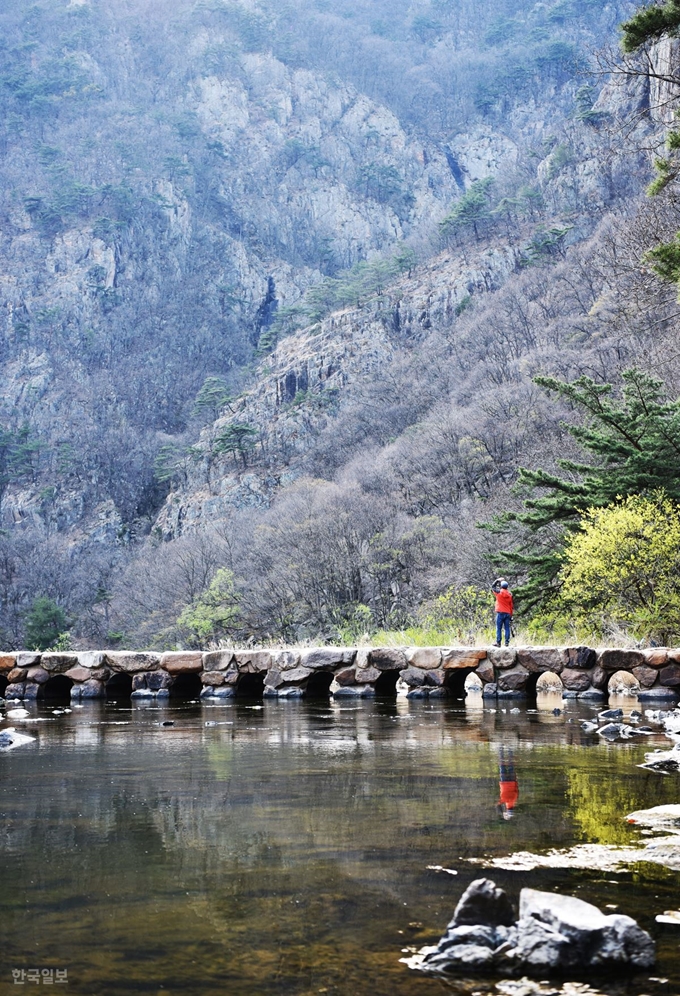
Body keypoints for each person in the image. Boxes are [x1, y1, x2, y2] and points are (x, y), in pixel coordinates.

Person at [491, 577, 513, 647]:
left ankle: (498, 643)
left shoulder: (498, 593)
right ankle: (507, 643)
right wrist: (511, 615)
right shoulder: (509, 595)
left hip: (500, 612)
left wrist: (497, 580)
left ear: (501, 586)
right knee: (507, 628)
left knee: (499, 628)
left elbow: (493, 587)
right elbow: (511, 606)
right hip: (507, 613)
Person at [498, 746, 519, 820]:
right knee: (501, 765)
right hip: (504, 783)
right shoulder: (504, 800)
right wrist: (502, 813)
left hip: (512, 781)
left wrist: (516, 780)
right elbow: (497, 806)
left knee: (511, 765)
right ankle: (500, 749)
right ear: (507, 810)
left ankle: (510, 749)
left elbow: (517, 789)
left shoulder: (515, 799)